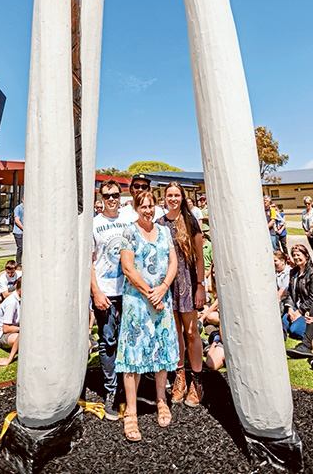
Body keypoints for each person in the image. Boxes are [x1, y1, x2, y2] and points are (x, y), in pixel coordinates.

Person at [115, 190, 178, 441]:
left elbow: (172, 262)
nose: (148, 210)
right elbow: (128, 268)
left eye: (152, 206)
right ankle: (131, 412)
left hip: (162, 300)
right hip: (137, 303)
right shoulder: (129, 232)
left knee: (161, 351)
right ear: (136, 208)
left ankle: (161, 399)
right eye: (143, 206)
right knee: (133, 356)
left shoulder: (164, 231)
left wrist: (162, 289)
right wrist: (150, 292)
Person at [157, 182, 206, 407]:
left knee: (191, 332)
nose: (173, 198)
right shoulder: (159, 224)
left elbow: (199, 257)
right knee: (175, 333)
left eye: (177, 195)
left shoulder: (191, 221)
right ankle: (180, 378)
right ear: (165, 197)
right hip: (168, 284)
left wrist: (200, 285)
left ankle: (197, 381)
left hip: (188, 282)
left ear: (182, 197)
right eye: (170, 195)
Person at [91, 179, 130, 420]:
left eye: (115, 194)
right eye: (107, 196)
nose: (112, 199)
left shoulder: (128, 220)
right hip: (105, 291)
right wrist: (95, 291)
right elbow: (88, 261)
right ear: (101, 199)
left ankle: (132, 388)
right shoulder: (94, 225)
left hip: (128, 290)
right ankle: (111, 391)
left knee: (130, 338)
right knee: (107, 341)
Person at [282, 244, 313, 339]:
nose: (296, 257)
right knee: (283, 324)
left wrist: (300, 312)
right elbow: (290, 293)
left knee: (295, 330)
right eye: (294, 255)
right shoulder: (293, 272)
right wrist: (289, 308)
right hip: (297, 306)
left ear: (306, 255)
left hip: (310, 309)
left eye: (298, 255)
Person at [0, 277, 21, 367]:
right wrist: (23, 328)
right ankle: (10, 358)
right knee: (22, 337)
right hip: (2, 335)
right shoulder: (12, 302)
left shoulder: (20, 299)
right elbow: (6, 328)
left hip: (14, 329)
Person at [12, 196, 24, 267]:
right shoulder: (18, 208)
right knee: (20, 247)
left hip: (24, 232)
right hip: (18, 232)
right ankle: (18, 263)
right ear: (22, 199)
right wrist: (23, 229)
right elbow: (17, 220)